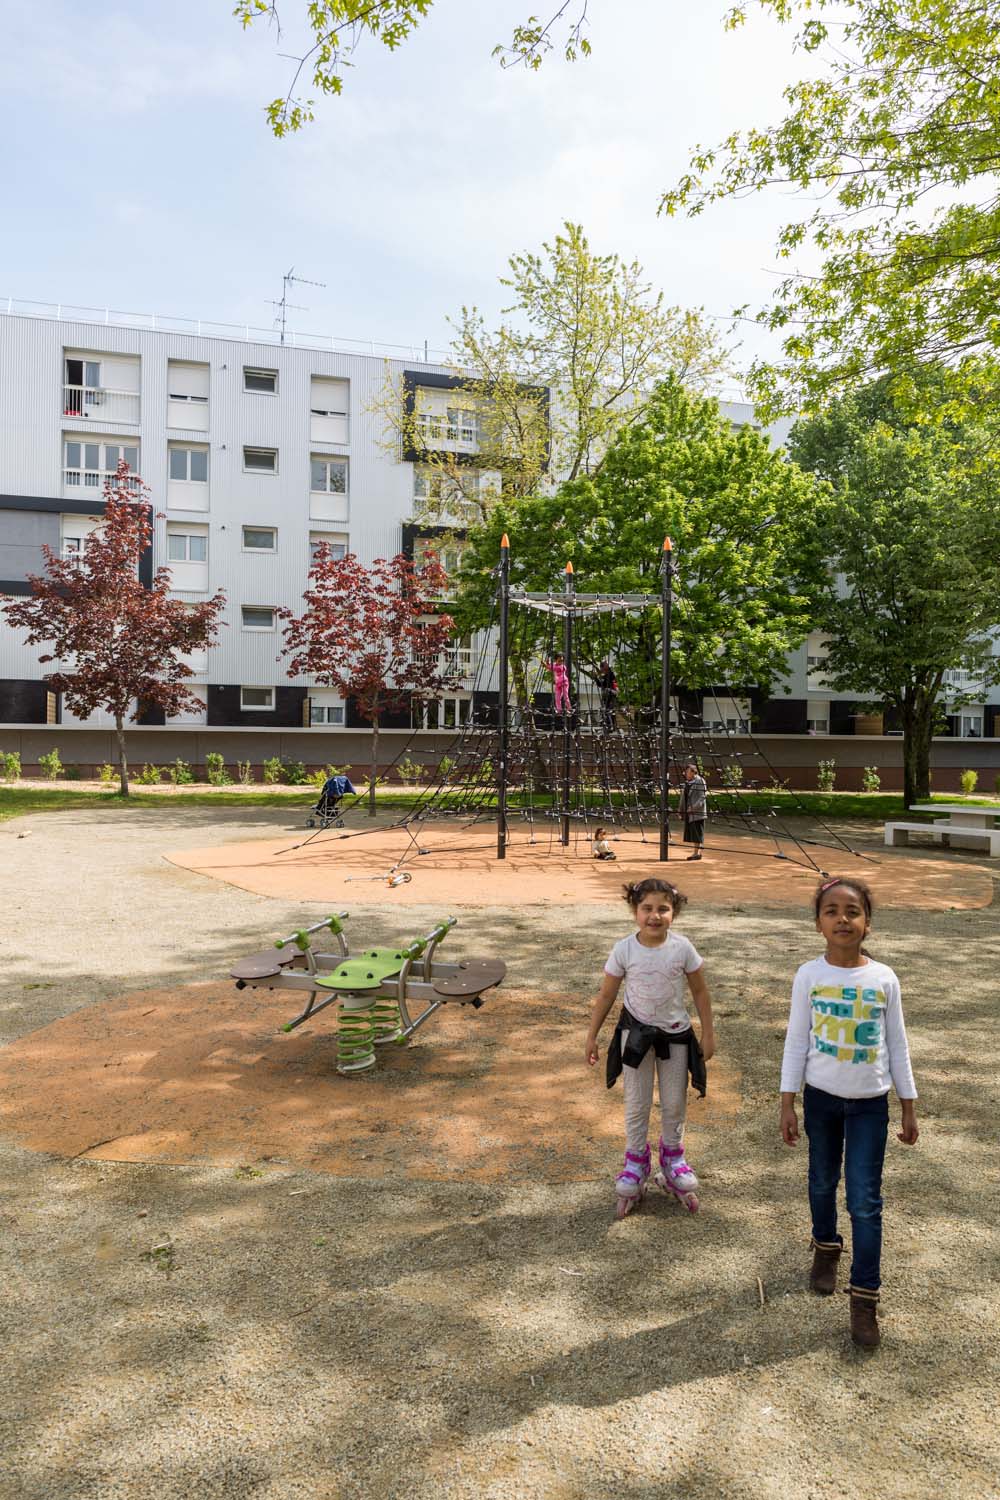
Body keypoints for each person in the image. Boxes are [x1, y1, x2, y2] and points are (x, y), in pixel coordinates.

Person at [779, 877, 919, 1350]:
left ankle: (864, 1299)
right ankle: (825, 1247)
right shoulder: (809, 976)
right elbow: (797, 1039)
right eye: (832, 910)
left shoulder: (883, 979)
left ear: (868, 924)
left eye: (853, 911)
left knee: (864, 1200)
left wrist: (908, 1106)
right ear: (818, 922)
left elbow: (897, 1044)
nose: (843, 918)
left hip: (868, 1107)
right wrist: (787, 1100)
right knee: (821, 1181)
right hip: (820, 1100)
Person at [585, 878, 715, 1217]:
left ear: (674, 912)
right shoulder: (624, 949)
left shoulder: (683, 948)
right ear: (634, 911)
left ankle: (673, 1158)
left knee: (674, 1103)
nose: (654, 916)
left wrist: (708, 1033)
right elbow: (607, 994)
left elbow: (700, 992)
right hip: (636, 1039)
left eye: (663, 909)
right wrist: (591, 1035)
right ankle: (635, 1160)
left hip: (676, 1038)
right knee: (636, 1103)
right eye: (647, 908)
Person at [679, 762, 707, 861]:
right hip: (689, 812)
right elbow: (684, 797)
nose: (685, 774)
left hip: (697, 813)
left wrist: (693, 808)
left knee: (697, 833)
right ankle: (697, 853)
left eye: (687, 772)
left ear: (693, 772)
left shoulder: (700, 781)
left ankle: (696, 853)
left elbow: (702, 798)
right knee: (693, 833)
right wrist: (681, 810)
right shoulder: (688, 782)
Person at [544, 653, 571, 717]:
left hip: (564, 682)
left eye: (562, 661)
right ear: (555, 660)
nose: (561, 662)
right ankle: (559, 710)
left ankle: (569, 708)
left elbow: (553, 668)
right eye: (559, 661)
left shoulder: (562, 667)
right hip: (558, 683)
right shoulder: (554, 665)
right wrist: (547, 663)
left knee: (565, 696)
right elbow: (550, 666)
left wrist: (546, 665)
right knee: (557, 698)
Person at [597, 659, 618, 731]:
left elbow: (614, 683)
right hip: (607, 695)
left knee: (609, 710)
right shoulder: (604, 675)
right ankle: (609, 726)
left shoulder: (611, 674)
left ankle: (611, 726)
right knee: (606, 710)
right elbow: (600, 685)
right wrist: (596, 678)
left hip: (611, 694)